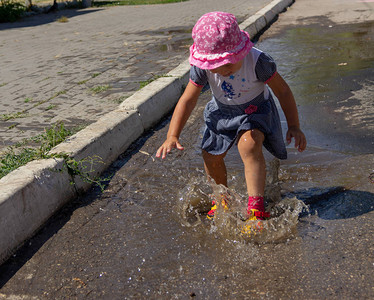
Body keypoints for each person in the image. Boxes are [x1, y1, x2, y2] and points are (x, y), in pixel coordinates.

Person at [156, 12, 306, 221]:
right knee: (210, 155)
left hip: (255, 111)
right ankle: (222, 200)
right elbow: (187, 100)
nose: (222, 70)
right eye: (215, 65)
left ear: (242, 52)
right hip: (222, 112)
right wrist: (172, 135)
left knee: (249, 144)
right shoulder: (202, 68)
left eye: (227, 63)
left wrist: (294, 125)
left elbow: (283, 92)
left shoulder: (258, 62)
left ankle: (256, 209)